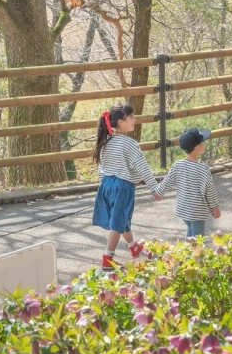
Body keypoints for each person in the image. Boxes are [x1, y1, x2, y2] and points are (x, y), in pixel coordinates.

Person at [92, 104, 161, 267]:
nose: (134, 120)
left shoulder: (106, 142)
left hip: (107, 185)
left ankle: (133, 247)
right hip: (122, 186)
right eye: (131, 117)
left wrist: (105, 184)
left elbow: (102, 167)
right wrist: (154, 187)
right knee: (118, 221)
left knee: (121, 217)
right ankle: (107, 258)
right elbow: (142, 166)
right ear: (121, 122)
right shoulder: (129, 143)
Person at [154, 127, 221, 240]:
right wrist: (214, 207)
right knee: (198, 239)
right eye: (202, 141)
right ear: (197, 147)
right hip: (197, 211)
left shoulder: (178, 165)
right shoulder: (202, 168)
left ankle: (187, 253)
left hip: (184, 209)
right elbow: (209, 190)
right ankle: (196, 256)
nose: (204, 143)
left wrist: (159, 192)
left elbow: (167, 181)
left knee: (190, 232)